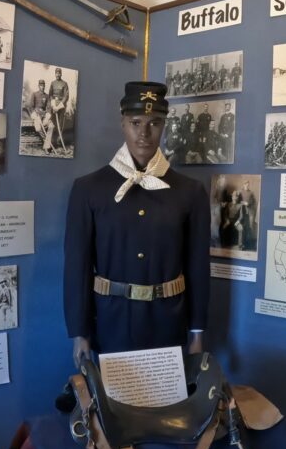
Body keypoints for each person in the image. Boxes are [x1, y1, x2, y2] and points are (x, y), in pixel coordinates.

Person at [64, 81, 210, 367]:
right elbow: (77, 266)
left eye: (154, 123)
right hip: (111, 323)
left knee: (168, 409)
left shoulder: (189, 192)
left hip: (168, 323)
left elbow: (197, 267)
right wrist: (79, 332)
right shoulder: (89, 189)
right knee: (115, 408)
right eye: (135, 122)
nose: (144, 133)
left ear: (164, 125)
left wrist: (197, 331)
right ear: (122, 124)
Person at [27, 79, 55, 153]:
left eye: (43, 85)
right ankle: (47, 144)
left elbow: (49, 107)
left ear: (44, 86)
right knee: (38, 128)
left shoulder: (47, 96)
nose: (42, 87)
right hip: (36, 116)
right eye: (41, 85)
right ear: (38, 86)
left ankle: (46, 146)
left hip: (44, 116)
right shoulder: (34, 94)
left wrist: (47, 116)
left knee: (51, 126)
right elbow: (30, 106)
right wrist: (35, 115)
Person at [48, 68, 70, 150]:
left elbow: (66, 96)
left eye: (59, 73)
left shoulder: (64, 83)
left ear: (61, 74)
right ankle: (51, 143)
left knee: (60, 125)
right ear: (55, 74)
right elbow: (50, 95)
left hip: (61, 106)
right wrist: (53, 105)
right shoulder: (52, 83)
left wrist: (59, 106)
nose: (57, 74)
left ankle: (58, 141)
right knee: (51, 124)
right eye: (56, 73)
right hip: (53, 106)